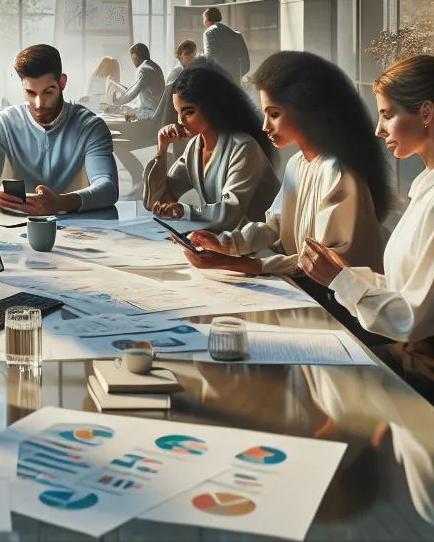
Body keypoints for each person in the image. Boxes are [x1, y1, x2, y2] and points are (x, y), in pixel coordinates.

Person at [296, 55, 434, 435]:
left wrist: (341, 282)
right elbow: (409, 291)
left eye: (387, 114)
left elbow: (413, 316)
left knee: (324, 384)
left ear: (426, 112)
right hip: (421, 360)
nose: (379, 129)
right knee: (317, 364)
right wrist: (341, 274)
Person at [181, 52, 390, 341]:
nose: (265, 126)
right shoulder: (297, 164)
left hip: (347, 311)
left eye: (274, 114)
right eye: (265, 113)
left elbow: (321, 263)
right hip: (309, 295)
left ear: (307, 111)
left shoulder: (340, 174)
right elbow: (274, 227)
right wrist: (226, 245)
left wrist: (238, 264)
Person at [0, 44, 119, 215]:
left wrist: (60, 202)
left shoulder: (91, 127)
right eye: (31, 93)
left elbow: (108, 187)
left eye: (48, 92)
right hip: (13, 228)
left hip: (79, 230)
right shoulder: (1, 124)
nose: (40, 104)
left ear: (62, 83)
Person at [143, 65, 281, 232]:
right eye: (178, 113)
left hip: (260, 245)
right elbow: (157, 202)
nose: (180, 121)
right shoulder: (195, 148)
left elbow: (230, 213)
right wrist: (162, 149)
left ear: (211, 107)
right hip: (222, 241)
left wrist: (183, 211)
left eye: (188, 112)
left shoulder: (244, 147)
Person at [105, 42, 165, 119]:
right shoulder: (154, 66)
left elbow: (133, 93)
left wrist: (114, 101)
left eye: (132, 58)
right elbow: (134, 89)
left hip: (150, 113)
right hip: (155, 109)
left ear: (136, 57)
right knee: (126, 110)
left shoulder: (145, 70)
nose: (132, 61)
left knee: (122, 114)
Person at [200, 7, 250, 84]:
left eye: (204, 20)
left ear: (208, 21)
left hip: (216, 84)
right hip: (234, 85)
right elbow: (246, 65)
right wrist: (234, 76)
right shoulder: (237, 35)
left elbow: (209, 61)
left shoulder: (209, 33)